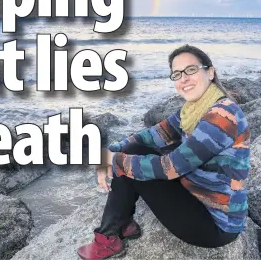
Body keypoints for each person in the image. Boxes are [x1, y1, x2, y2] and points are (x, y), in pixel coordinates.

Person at [77, 44, 251, 260]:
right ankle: (121, 223)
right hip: (194, 194)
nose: (184, 78)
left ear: (210, 72)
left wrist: (115, 161)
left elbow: (172, 167)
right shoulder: (193, 109)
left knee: (130, 164)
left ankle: (108, 239)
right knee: (134, 150)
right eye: (177, 74)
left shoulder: (223, 116)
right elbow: (154, 135)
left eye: (191, 70)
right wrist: (109, 153)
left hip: (215, 224)